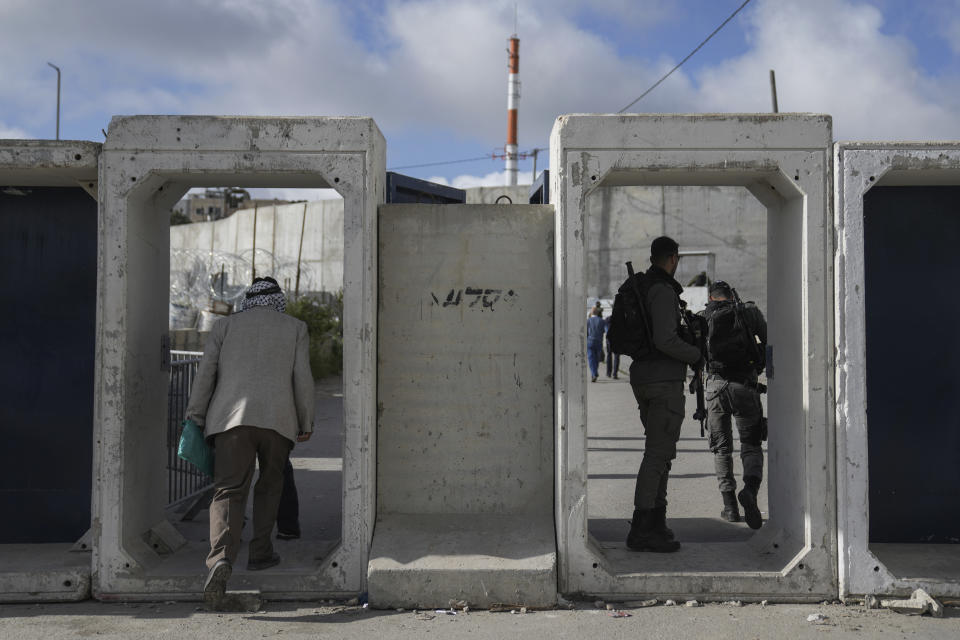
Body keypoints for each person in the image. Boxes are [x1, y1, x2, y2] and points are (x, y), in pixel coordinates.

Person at [186, 276, 315, 606]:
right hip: (278, 421)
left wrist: (195, 415)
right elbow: (302, 377)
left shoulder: (225, 327)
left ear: (248, 300)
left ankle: (220, 559)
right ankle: (260, 552)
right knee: (271, 485)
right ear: (278, 301)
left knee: (228, 489)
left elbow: (206, 374)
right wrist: (306, 420)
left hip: (230, 421)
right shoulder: (295, 328)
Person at [625, 236, 701, 553]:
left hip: (646, 377)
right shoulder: (661, 290)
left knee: (662, 452)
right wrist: (698, 355)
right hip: (662, 380)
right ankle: (643, 529)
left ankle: (656, 523)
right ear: (672, 258)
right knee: (658, 455)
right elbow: (666, 340)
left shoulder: (644, 286)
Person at [701, 280, 768, 530]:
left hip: (715, 388)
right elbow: (769, 342)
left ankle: (729, 507)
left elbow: (697, 355)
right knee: (751, 445)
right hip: (746, 387)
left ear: (711, 297)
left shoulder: (703, 316)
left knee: (721, 449)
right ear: (730, 295)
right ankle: (749, 490)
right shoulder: (748, 312)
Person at [586, 306, 606, 382]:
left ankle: (594, 373)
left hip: (590, 342)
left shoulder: (588, 320)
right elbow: (604, 330)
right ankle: (594, 373)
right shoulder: (601, 321)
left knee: (591, 359)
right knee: (597, 359)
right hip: (598, 342)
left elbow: (586, 332)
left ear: (591, 313)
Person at [604, 314, 620, 379]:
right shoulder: (620, 319)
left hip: (609, 339)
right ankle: (615, 374)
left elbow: (605, 328)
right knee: (616, 356)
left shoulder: (607, 319)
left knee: (609, 355)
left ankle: (608, 373)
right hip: (617, 339)